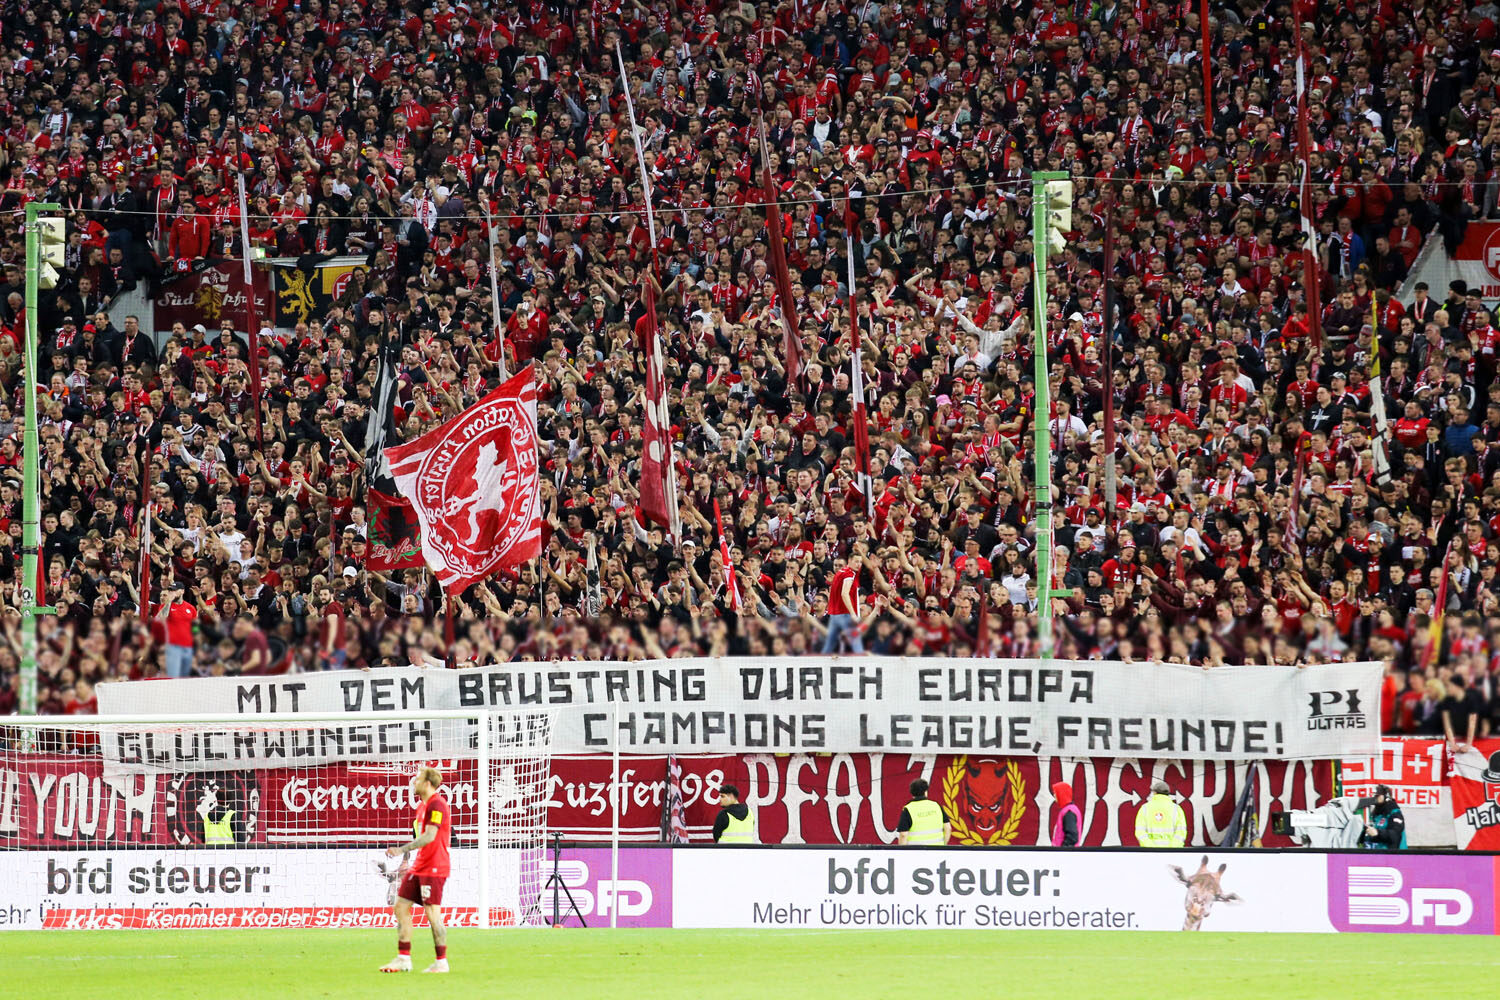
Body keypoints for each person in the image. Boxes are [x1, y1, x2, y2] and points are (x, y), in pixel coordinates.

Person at [381, 766, 452, 973]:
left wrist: (400, 849)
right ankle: (404, 958)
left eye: (418, 779)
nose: (414, 782)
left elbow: (429, 836)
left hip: (434, 867)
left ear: (428, 783)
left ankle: (441, 961)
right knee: (401, 907)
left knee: (432, 914)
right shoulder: (421, 807)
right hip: (419, 866)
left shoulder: (437, 805)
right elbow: (420, 839)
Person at [896, 778, 951, 846]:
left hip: (916, 853)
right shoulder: (936, 806)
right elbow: (948, 828)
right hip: (937, 852)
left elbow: (903, 835)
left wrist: (902, 851)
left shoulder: (908, 809)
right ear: (925, 792)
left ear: (912, 793)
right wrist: (943, 845)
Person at [1134, 780, 1187, 848]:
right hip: (1171, 854)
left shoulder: (1145, 808)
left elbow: (1140, 832)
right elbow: (1181, 833)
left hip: (1150, 854)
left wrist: (1151, 848)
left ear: (1154, 792)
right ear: (1168, 793)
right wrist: (1172, 849)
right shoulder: (1177, 809)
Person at [1359, 785, 1407, 850]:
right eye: (1374, 795)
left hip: (1391, 856)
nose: (1375, 798)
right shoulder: (1375, 815)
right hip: (1374, 855)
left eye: (1377, 795)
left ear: (1386, 796)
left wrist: (1378, 833)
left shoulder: (1394, 813)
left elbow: (1395, 835)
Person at [1051, 782, 1082, 847]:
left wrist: (1063, 851)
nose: (1054, 795)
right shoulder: (1068, 810)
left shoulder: (1069, 812)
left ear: (1061, 794)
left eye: (1055, 793)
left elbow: (1072, 837)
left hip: (1065, 854)